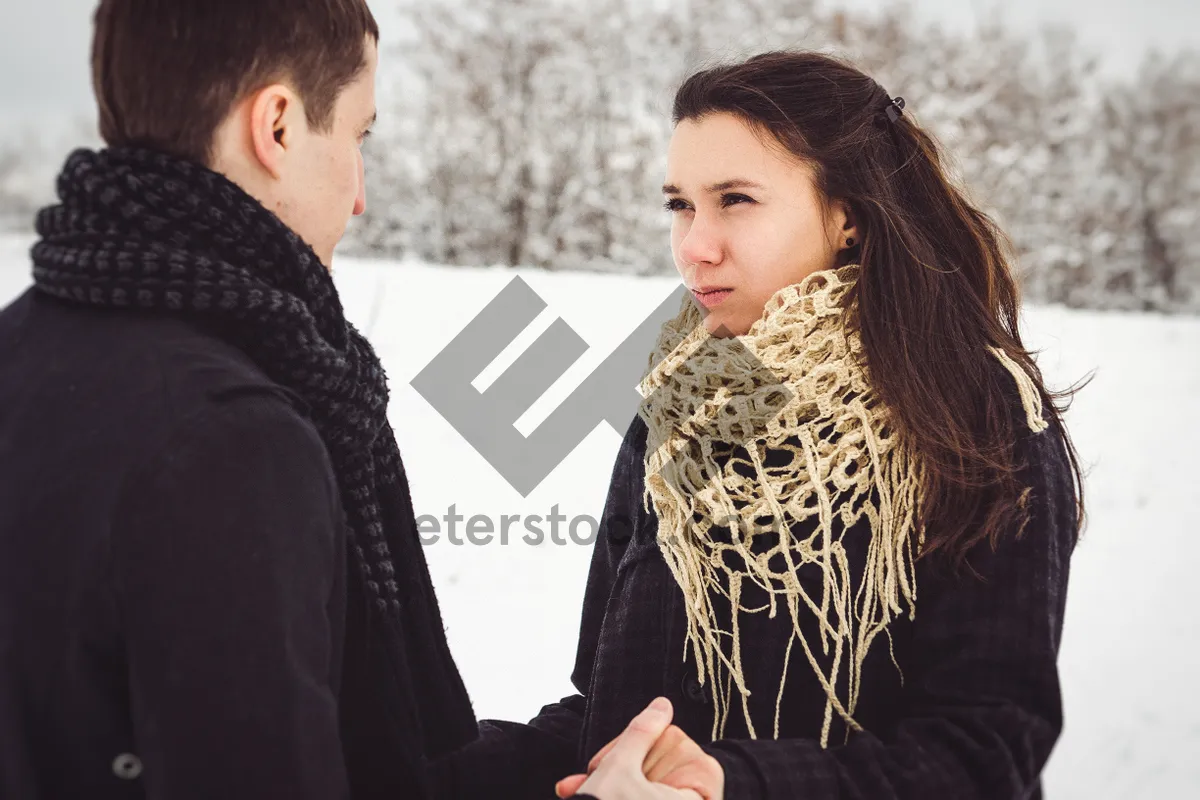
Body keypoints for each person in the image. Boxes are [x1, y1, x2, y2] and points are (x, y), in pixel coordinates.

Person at [458, 51, 1085, 800]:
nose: (695, 244)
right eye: (680, 205)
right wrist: (427, 769)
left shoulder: (976, 417)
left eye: (736, 200)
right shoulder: (674, 415)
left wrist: (730, 785)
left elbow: (983, 759)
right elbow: (607, 720)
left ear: (848, 213)